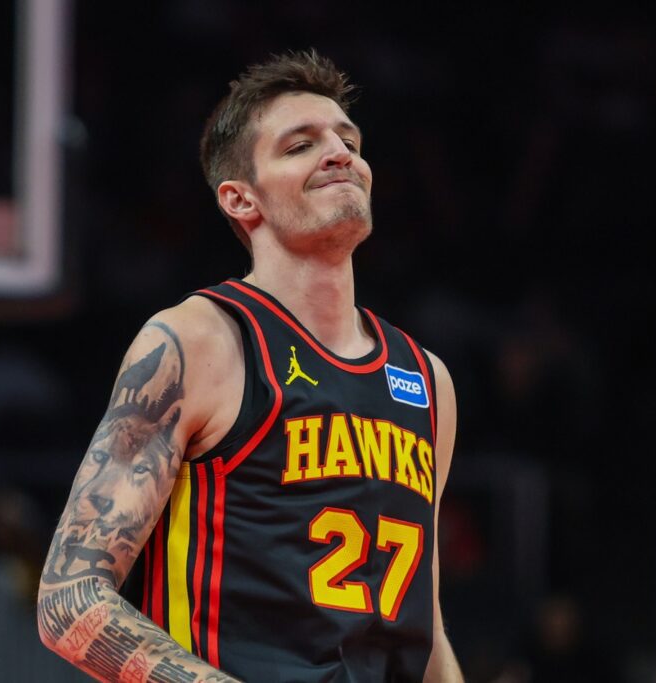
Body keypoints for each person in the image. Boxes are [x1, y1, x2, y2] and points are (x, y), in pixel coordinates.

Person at [36, 49, 464, 681]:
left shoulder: (427, 379)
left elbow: (422, 621)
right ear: (240, 200)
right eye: (300, 145)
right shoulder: (200, 341)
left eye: (349, 139)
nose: (340, 152)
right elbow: (69, 602)